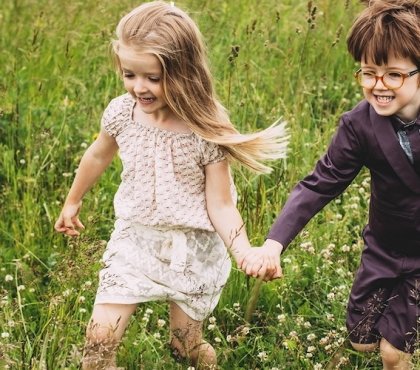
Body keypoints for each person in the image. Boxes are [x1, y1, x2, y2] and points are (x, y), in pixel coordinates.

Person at [54, 1, 287, 369]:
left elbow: (221, 205)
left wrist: (242, 250)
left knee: (186, 347)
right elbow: (98, 154)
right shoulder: (121, 113)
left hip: (191, 248)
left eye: (153, 78)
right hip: (136, 239)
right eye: (130, 75)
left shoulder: (204, 130)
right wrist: (73, 200)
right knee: (97, 345)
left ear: (184, 73)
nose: (138, 88)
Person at [240, 0, 420, 369]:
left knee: (393, 353)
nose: (378, 85)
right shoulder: (360, 124)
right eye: (368, 73)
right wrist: (274, 244)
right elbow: (320, 184)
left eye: (394, 75)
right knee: (363, 341)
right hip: (383, 248)